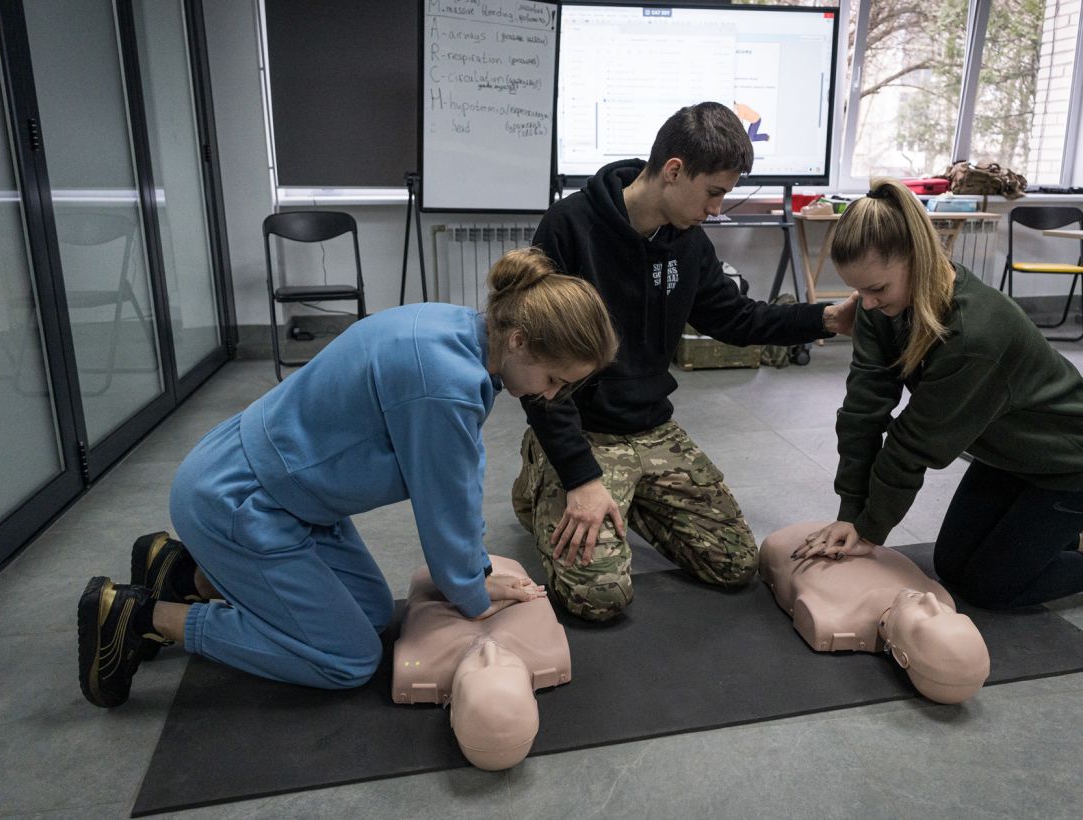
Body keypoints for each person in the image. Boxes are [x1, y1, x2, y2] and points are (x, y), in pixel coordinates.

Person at [77, 248, 618, 708]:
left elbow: (456, 484)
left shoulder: (456, 327)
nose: (550, 396)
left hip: (283, 494)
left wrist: (472, 573)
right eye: (553, 379)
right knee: (348, 659)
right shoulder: (446, 385)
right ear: (520, 340)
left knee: (375, 614)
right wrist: (474, 592)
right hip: (239, 501)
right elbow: (447, 506)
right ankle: (142, 615)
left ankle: (183, 574)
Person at [513, 101, 859, 622]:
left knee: (735, 564)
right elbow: (538, 366)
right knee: (599, 598)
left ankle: (620, 496)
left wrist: (828, 318)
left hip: (651, 428)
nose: (717, 209)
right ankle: (543, 480)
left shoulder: (688, 243)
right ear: (674, 170)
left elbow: (737, 319)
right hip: (583, 431)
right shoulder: (569, 228)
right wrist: (581, 478)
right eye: (714, 192)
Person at [796, 177, 1083, 610]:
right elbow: (862, 412)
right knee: (952, 568)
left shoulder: (974, 336)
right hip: (1014, 453)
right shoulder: (882, 306)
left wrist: (870, 530)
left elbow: (912, 445)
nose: (867, 303)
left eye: (877, 289)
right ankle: (1076, 536)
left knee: (992, 588)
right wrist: (849, 513)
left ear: (919, 259)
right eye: (859, 291)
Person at [760, 520, 990, 705]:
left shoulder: (832, 618)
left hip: (783, 543)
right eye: (949, 613)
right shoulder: (938, 596)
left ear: (901, 657)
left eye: (927, 617)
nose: (930, 600)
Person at [393, 555, 570, 770]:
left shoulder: (413, 665)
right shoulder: (549, 650)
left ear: (453, 715)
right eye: (509, 665)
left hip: (435, 574)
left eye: (476, 668)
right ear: (534, 701)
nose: (489, 651)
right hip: (499, 570)